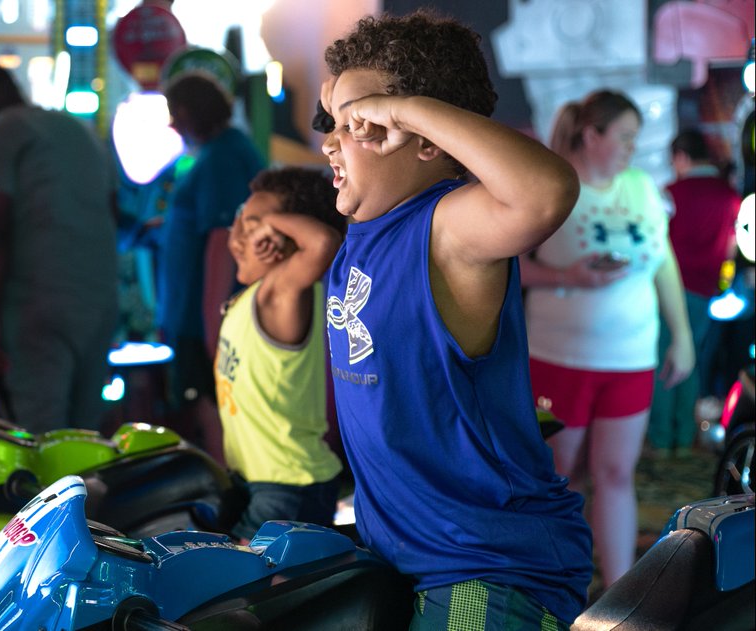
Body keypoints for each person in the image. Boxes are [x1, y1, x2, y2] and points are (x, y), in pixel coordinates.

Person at [320, 11, 593, 627]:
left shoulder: (447, 228)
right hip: (404, 555)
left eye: (357, 123)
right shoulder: (367, 232)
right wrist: (353, 105)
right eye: (332, 123)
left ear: (424, 140)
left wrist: (407, 107)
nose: (330, 140)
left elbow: (545, 194)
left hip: (485, 567)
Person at [520, 90, 695, 589]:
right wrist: (571, 277)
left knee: (617, 473)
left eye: (635, 139)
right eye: (623, 137)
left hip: (630, 358)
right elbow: (511, 268)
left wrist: (681, 336)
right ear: (591, 135)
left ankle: (621, 592)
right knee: (559, 476)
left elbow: (663, 263)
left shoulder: (642, 188)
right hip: (556, 359)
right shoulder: (553, 185)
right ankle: (557, 582)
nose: (631, 149)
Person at [0, 64, 118, 433]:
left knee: (41, 436)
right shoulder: (78, 130)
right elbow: (113, 211)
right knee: (85, 436)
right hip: (99, 302)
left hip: (36, 303)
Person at [213, 166, 345, 543]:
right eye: (240, 221)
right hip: (260, 481)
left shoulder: (281, 293)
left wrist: (270, 221)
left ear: (288, 238)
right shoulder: (254, 295)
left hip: (288, 488)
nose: (239, 236)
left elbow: (322, 243)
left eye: (257, 227)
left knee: (235, 596)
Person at [158, 71, 265, 448]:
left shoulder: (222, 156)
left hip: (203, 318)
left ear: (191, 113)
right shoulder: (224, 151)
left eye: (177, 113)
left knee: (214, 410)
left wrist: (211, 329)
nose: (173, 124)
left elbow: (223, 243)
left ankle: (227, 499)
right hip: (197, 316)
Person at [649, 128, 742, 456]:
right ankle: (685, 436)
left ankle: (661, 437)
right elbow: (732, 247)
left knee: (663, 359)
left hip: (667, 290)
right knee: (692, 360)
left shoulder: (671, 193)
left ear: (681, 157)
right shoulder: (729, 195)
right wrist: (723, 284)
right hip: (706, 292)